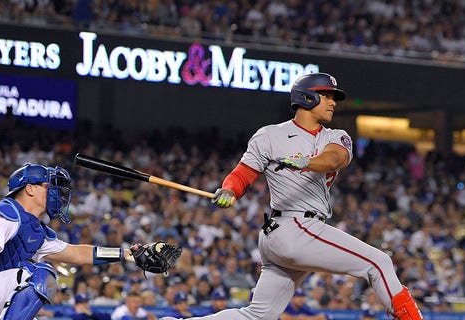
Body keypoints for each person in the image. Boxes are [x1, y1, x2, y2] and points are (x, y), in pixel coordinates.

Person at [160, 72, 422, 320]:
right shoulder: (270, 135)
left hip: (290, 232)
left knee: (259, 315)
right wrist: (229, 190)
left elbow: (334, 159)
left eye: (333, 97)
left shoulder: (336, 136)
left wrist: (305, 162)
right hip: (294, 228)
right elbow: (241, 175)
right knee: (378, 263)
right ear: (307, 97)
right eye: (327, 95)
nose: (333, 102)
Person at [0, 163, 180, 320]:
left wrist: (126, 253)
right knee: (40, 274)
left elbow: (76, 254)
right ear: (30, 189)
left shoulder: (36, 230)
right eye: (49, 187)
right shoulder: (4, 212)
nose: (57, 193)